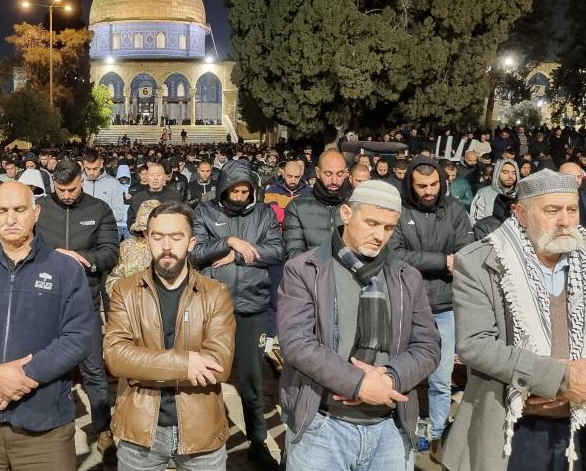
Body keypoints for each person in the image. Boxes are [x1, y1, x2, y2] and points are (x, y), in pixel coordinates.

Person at [443, 169, 586, 471]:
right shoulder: (480, 261)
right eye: (552, 210)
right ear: (521, 213)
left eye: (572, 209)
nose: (565, 221)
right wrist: (559, 379)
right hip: (513, 427)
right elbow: (475, 344)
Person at [279, 180, 440, 471]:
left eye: (389, 228)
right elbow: (297, 342)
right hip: (323, 426)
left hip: (390, 428)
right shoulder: (305, 270)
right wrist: (358, 384)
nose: (380, 236)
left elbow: (427, 346)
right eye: (372, 223)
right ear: (346, 214)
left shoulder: (407, 276)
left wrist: (391, 379)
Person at [0, 181, 94, 470]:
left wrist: (24, 376)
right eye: (2, 210)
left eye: (19, 210)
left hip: (45, 425)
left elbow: (78, 336)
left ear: (36, 213)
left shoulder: (65, 269)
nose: (10, 219)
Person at [104, 202, 236, 470]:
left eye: (176, 237)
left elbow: (219, 365)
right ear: (147, 240)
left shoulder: (215, 293)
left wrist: (142, 367)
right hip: (139, 432)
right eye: (158, 237)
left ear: (191, 242)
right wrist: (188, 364)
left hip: (202, 433)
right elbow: (116, 357)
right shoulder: (125, 291)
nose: (167, 246)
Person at [191, 160, 286, 470]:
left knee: (252, 379)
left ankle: (257, 441)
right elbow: (195, 253)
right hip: (212, 308)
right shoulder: (205, 212)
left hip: (252, 306)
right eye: (235, 191)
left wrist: (239, 258)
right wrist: (227, 242)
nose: (241, 196)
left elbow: (276, 250)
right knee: (206, 376)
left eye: (246, 191)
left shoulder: (264, 214)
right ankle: (203, 439)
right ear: (223, 190)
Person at [35, 158, 119, 462]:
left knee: (94, 371)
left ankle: (104, 430)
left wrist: (80, 258)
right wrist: (51, 256)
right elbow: (25, 245)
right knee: (45, 368)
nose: (66, 195)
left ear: (81, 182)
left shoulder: (98, 210)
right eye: (61, 189)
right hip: (45, 302)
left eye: (72, 189)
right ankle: (46, 428)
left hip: (84, 303)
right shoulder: (40, 208)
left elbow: (110, 252)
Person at [389, 156, 474, 458]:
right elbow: (396, 254)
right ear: (411, 184)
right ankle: (404, 427)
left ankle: (437, 432)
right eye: (422, 185)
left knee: (441, 377)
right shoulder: (399, 211)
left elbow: (467, 251)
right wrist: (442, 261)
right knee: (405, 373)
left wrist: (451, 261)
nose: (429, 190)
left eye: (434, 184)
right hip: (407, 304)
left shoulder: (454, 209)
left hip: (445, 305)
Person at [283, 150, 350, 259]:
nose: (334, 180)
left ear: (346, 173)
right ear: (318, 172)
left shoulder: (354, 206)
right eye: (328, 174)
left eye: (339, 174)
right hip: (312, 272)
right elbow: (293, 254)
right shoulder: (297, 207)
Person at [106, 199, 161, 292]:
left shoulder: (171, 247)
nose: (150, 233)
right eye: (146, 229)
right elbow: (113, 280)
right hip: (131, 302)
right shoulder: (127, 248)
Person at [81, 149, 127, 240]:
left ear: (101, 164)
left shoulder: (113, 183)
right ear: (83, 165)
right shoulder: (77, 182)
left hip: (106, 234)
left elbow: (119, 214)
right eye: (88, 168)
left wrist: (95, 215)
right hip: (82, 233)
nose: (91, 172)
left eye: (95, 168)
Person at [127, 160, 183, 228]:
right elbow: (131, 222)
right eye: (152, 175)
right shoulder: (136, 198)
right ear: (147, 177)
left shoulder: (175, 197)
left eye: (159, 175)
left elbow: (182, 220)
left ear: (165, 177)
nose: (155, 178)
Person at [469, 159, 519, 224]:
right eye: (505, 172)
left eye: (514, 173)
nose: (510, 176)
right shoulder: (483, 193)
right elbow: (475, 222)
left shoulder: (522, 194)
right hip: (490, 233)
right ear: (497, 173)